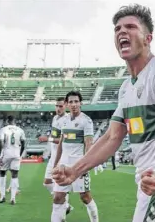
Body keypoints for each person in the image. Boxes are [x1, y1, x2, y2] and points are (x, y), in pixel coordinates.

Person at [52, 4, 155, 222]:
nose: (122, 32)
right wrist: (74, 170)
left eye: (130, 27)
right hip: (154, 181)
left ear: (148, 38)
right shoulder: (126, 88)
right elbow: (112, 137)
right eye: (117, 28)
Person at [51, 91, 99, 222]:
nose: (74, 104)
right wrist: (55, 164)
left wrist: (85, 167)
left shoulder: (86, 121)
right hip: (63, 165)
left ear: (80, 103)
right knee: (58, 197)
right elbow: (61, 144)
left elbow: (89, 144)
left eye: (76, 101)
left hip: (78, 165)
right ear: (66, 104)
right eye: (71, 102)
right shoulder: (64, 120)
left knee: (85, 197)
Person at [38, 97, 73, 213]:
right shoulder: (55, 118)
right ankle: (66, 204)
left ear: (66, 106)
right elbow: (55, 137)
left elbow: (65, 140)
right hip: (53, 156)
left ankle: (63, 210)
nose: (58, 108)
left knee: (60, 185)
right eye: (57, 106)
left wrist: (48, 139)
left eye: (61, 106)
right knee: (47, 183)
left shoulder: (68, 120)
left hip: (62, 157)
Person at [0, 115, 25, 205]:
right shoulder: (20, 130)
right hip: (16, 154)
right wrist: (20, 154)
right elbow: (23, 143)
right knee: (15, 175)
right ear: (15, 121)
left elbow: (1, 142)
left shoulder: (3, 129)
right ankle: (13, 198)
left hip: (6, 153)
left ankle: (2, 196)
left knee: (2, 173)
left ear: (7, 121)